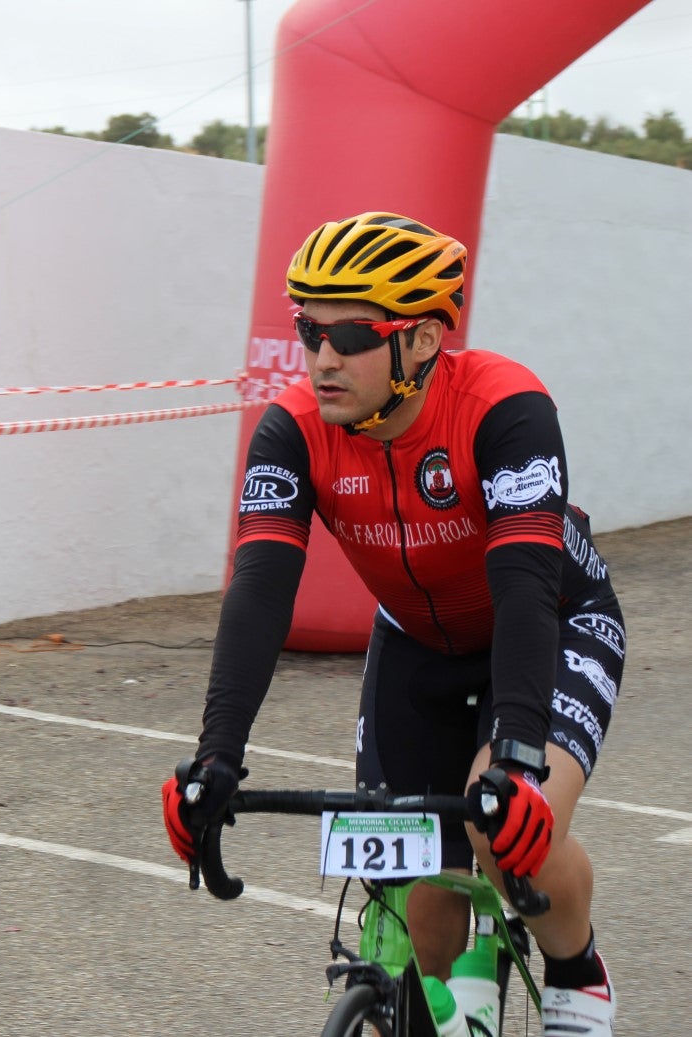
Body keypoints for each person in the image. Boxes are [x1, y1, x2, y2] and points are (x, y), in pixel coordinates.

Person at [161, 212, 622, 1037]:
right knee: (418, 875)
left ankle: (576, 970)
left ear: (421, 341)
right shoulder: (292, 427)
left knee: (503, 833)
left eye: (350, 333)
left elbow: (521, 585)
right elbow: (261, 589)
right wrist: (214, 756)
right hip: (415, 641)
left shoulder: (503, 408)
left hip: (551, 621)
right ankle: (458, 1010)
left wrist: (514, 756)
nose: (322, 356)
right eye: (308, 330)